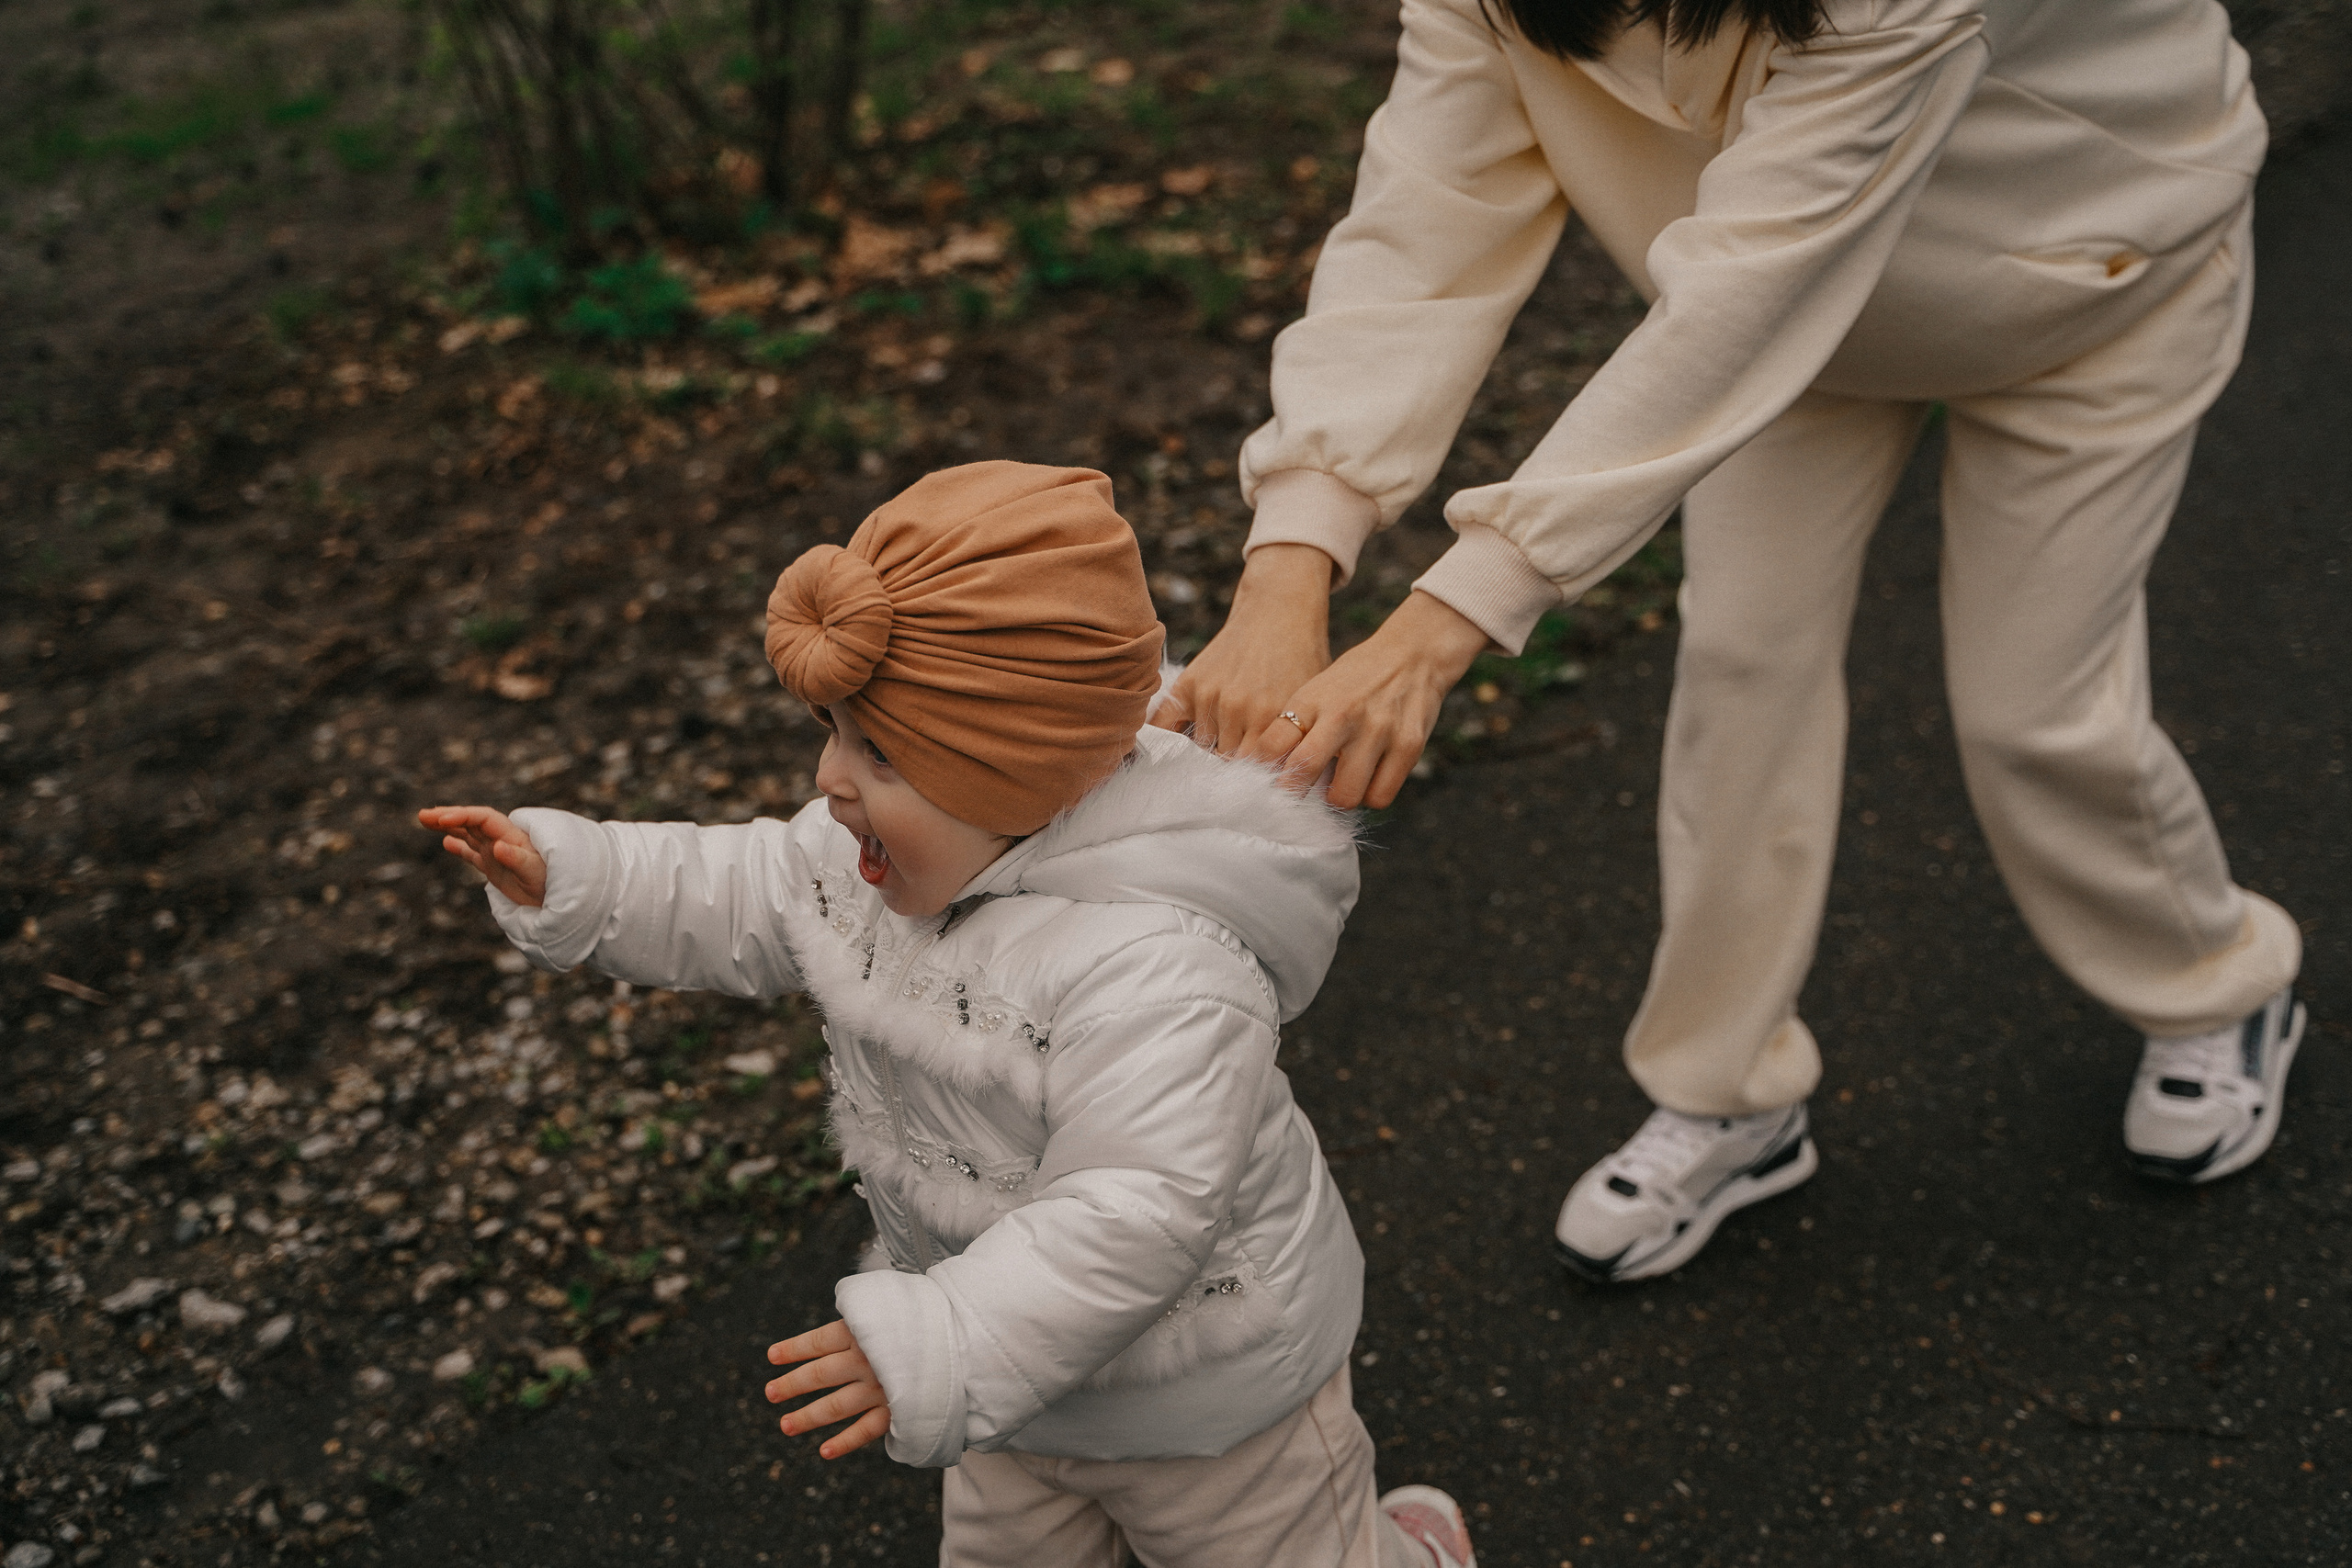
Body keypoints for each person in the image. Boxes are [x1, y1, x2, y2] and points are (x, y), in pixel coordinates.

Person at [1155, 0, 2307, 1283]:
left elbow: (1753, 280)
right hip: (1800, 344)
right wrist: (1288, 565)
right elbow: (1425, 229)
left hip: (2090, 285)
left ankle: (2219, 983)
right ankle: (1728, 1090)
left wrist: (1438, 629)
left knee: (2034, 708)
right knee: (1740, 670)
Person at [417, 462, 1478, 1568]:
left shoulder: (1159, 967)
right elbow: (751, 889)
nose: (830, 779)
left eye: (877, 754)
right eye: (833, 731)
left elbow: (1140, 1208)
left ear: (1019, 775)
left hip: (1209, 1398)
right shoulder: (887, 852)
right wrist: (584, 876)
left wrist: (949, 1340)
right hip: (1006, 1377)